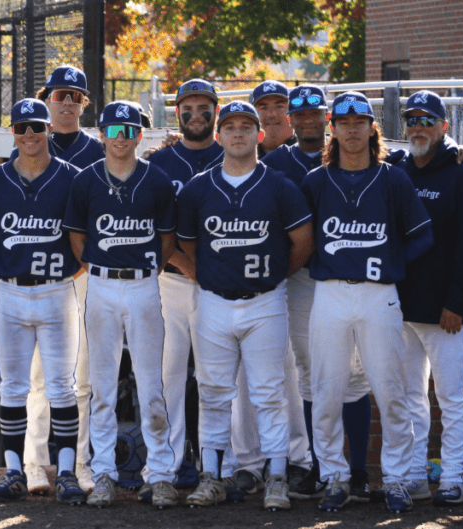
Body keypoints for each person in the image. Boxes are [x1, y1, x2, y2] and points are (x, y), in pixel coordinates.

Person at [175, 101, 313, 511]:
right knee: (214, 393)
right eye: (230, 127)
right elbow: (182, 244)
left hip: (265, 302)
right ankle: (212, 477)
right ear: (218, 136)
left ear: (260, 135)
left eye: (246, 126)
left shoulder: (279, 185)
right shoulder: (199, 187)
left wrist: (271, 277)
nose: (238, 133)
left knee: (269, 394)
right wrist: (207, 275)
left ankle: (275, 477)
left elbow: (303, 242)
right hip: (214, 302)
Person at [301, 91, 433, 513]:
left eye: (360, 122)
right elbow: (300, 239)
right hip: (331, 293)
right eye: (344, 123)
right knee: (326, 392)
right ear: (332, 129)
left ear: (372, 129)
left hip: (380, 295)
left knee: (391, 391)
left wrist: (391, 262)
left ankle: (395, 478)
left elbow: (422, 236)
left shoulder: (393, 178)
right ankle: (335, 477)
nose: (352, 129)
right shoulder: (316, 181)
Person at [258, 85, 374, 503]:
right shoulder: (274, 162)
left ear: (326, 117)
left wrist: (456, 151)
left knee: (354, 375)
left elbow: (393, 165)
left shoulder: (348, 153)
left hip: (347, 278)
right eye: (299, 113)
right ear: (291, 117)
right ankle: (318, 467)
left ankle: (356, 471)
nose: (307, 119)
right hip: (301, 280)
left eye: (314, 112)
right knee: (310, 374)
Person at [63, 101, 178, 509]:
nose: (122, 138)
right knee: (102, 387)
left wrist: (146, 271)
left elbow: (166, 241)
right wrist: (99, 267)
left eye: (129, 131)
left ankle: (161, 474)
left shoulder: (157, 181)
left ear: (140, 136)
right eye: (114, 131)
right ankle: (105, 474)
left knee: (151, 386)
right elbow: (78, 240)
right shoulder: (86, 181)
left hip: (145, 286)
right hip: (102, 286)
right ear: (101, 134)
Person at [0, 98, 88, 505]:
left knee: (61, 387)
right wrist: (13, 264)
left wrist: (67, 273)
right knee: (14, 387)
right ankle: (15, 471)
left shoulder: (73, 178)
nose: (29, 135)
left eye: (37, 127)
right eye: (21, 128)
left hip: (58, 291)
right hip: (12, 293)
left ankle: (69, 474)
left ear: (49, 130)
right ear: (12, 133)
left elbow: (83, 240)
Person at [394, 90, 463, 506]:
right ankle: (415, 475)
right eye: (411, 120)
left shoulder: (462, 174)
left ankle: (451, 477)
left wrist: (458, 301)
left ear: (443, 126)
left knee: (453, 399)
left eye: (427, 120)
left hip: (447, 312)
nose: (418, 127)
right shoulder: (396, 169)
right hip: (401, 311)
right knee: (410, 398)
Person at [221, 81, 313, 500]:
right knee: (243, 375)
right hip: (249, 285)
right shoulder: (235, 157)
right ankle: (249, 461)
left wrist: (458, 150)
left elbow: (387, 156)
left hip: (296, 279)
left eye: (281, 105)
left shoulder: (306, 158)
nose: (274, 112)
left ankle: (296, 458)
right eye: (265, 106)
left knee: (289, 374)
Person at [18, 64, 99, 494]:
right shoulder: (31, 144)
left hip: (82, 278)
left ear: (84, 104)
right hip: (38, 280)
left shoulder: (98, 152)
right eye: (59, 95)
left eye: (75, 96)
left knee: (80, 378)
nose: (67, 103)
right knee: (38, 379)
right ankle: (35, 464)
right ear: (45, 98)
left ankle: (80, 464)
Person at [143, 78, 222, 498]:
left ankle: (216, 469)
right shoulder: (161, 162)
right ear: (177, 114)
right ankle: (167, 468)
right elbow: (154, 229)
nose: (196, 115)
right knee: (167, 376)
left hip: (221, 288)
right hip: (172, 282)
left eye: (203, 107)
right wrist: (188, 266)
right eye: (187, 108)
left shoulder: (233, 153)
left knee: (216, 379)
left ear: (216, 111)